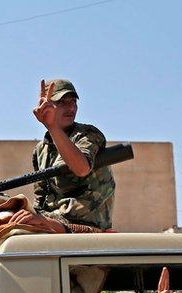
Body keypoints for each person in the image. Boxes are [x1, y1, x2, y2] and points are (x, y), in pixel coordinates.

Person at [8, 79, 117, 234]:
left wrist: (52, 126)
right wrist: (31, 216)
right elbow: (40, 200)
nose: (71, 107)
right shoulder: (41, 150)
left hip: (87, 227)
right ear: (45, 106)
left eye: (73, 101)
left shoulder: (87, 135)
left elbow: (81, 168)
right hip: (54, 222)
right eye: (62, 102)